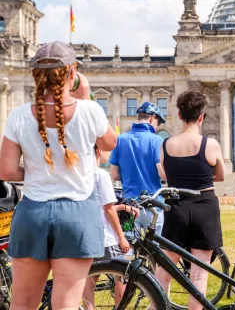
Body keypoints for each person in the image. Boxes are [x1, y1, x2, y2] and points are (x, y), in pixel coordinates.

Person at [0, 41, 117, 309]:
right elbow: (110, 143)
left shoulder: (18, 115)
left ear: (35, 75)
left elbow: (5, 170)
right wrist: (85, 96)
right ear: (72, 73)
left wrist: (36, 171)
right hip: (77, 215)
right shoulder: (89, 110)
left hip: (32, 213)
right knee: (66, 304)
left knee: (22, 303)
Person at [155, 90, 224, 310]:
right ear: (201, 116)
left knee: (163, 273)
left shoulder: (166, 145)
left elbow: (166, 175)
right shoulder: (210, 144)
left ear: (179, 115)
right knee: (198, 277)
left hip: (176, 207)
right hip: (205, 207)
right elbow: (220, 176)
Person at [83, 144, 139, 309]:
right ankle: (118, 307)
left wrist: (121, 207)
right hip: (106, 236)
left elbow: (99, 207)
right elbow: (107, 209)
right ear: (99, 150)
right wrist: (121, 237)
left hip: (87, 234)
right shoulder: (101, 175)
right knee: (121, 275)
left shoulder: (81, 175)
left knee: (90, 277)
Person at [109, 101, 167, 235]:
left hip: (129, 205)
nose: (157, 126)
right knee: (156, 251)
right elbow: (162, 173)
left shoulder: (120, 139)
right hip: (153, 205)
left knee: (128, 250)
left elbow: (115, 176)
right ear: (152, 118)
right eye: (157, 123)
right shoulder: (156, 140)